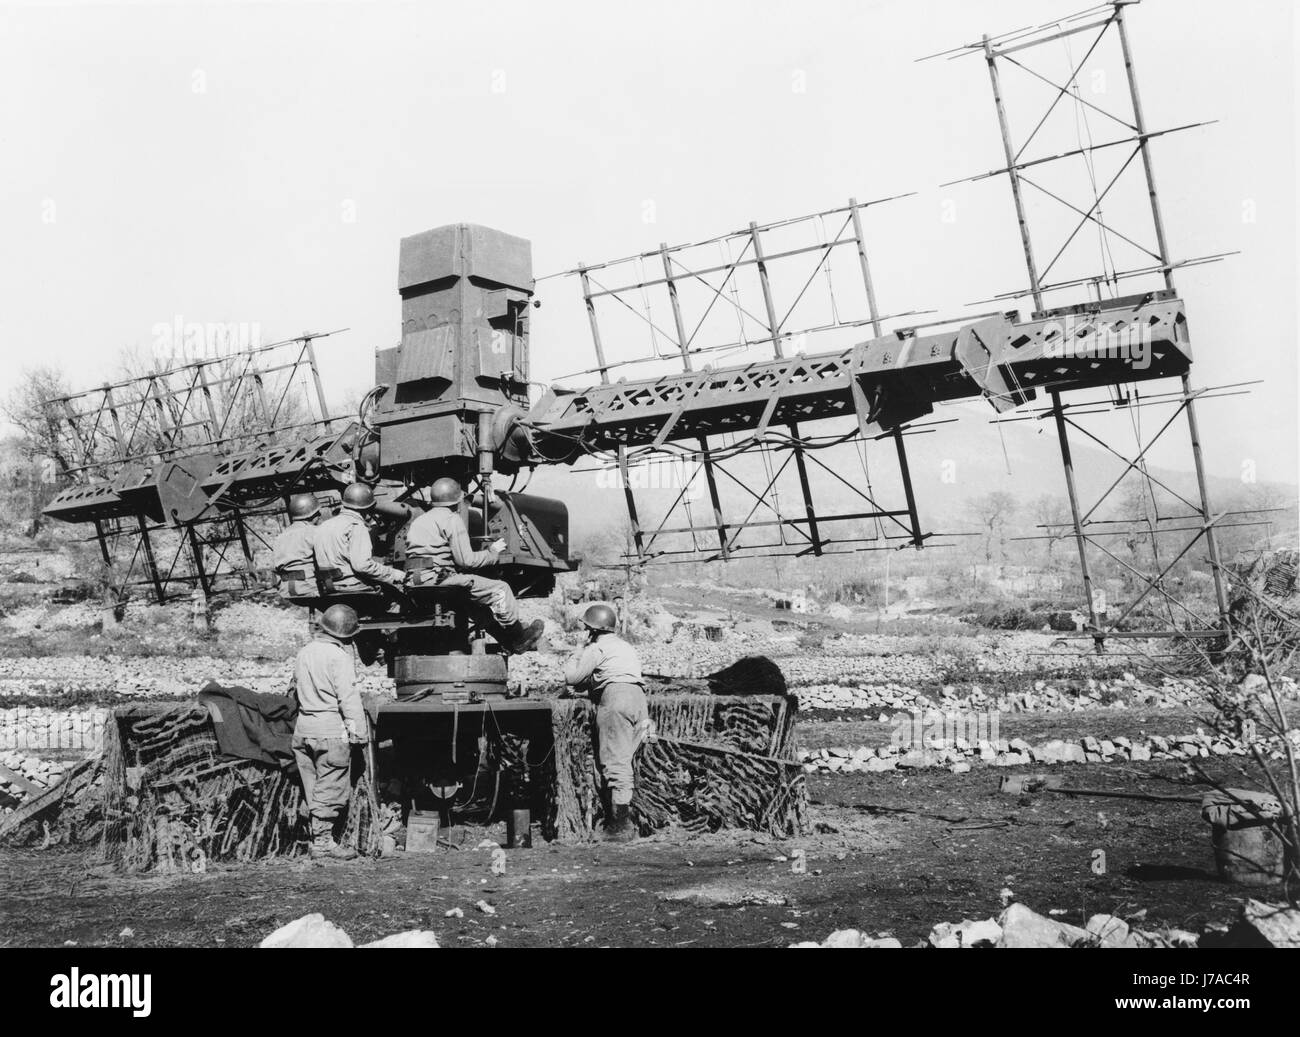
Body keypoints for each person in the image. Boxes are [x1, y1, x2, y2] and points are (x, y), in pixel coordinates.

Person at [404, 477, 544, 653]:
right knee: (500, 589)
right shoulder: (451, 519)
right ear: (457, 501)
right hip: (437, 580)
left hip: (414, 581)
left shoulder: (419, 520)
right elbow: (466, 561)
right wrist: (492, 552)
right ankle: (517, 636)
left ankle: (507, 641)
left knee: (475, 607)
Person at [563, 603, 648, 841]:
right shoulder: (624, 646)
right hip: (638, 700)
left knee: (615, 763)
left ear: (592, 630)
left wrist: (578, 649)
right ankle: (620, 820)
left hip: (616, 700)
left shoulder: (597, 648)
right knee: (625, 759)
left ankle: (620, 828)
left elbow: (571, 677)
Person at [292, 603, 367, 861]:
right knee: (331, 787)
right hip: (330, 731)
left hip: (303, 730)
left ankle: (313, 836)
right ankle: (323, 843)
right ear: (347, 635)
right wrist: (360, 733)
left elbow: (295, 690)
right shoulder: (339, 657)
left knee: (312, 787)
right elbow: (348, 698)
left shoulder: (304, 652)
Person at [312, 482, 405, 594]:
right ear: (368, 508)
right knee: (397, 598)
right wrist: (394, 574)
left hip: (328, 587)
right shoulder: (356, 526)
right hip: (352, 587)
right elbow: (362, 566)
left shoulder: (323, 525)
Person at [271, 492, 322, 599]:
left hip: (287, 591)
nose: (320, 515)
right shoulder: (315, 532)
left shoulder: (280, 537)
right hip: (311, 589)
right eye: (318, 512)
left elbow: (275, 567)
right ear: (312, 515)